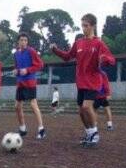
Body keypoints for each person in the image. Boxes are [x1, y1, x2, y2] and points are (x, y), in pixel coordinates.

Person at [52, 14, 115, 148]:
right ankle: (89, 133)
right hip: (81, 82)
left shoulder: (99, 43)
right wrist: (55, 50)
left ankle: (95, 134)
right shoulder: (78, 43)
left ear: (93, 26)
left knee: (87, 107)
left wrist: (104, 59)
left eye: (86, 26)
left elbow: (111, 59)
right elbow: (67, 57)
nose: (83, 28)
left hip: (93, 81)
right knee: (81, 111)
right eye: (82, 25)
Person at [13, 33, 46, 139]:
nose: (23, 42)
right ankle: (22, 129)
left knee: (33, 104)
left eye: (25, 40)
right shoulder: (16, 54)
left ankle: (41, 129)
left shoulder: (31, 51)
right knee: (17, 106)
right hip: (20, 83)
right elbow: (17, 67)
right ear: (18, 41)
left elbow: (40, 64)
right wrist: (16, 71)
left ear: (27, 42)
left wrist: (27, 70)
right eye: (21, 40)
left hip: (30, 82)